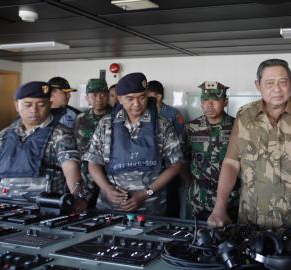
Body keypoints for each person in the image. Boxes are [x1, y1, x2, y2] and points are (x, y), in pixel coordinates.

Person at [207, 59, 291, 236]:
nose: (277, 89)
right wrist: (219, 208)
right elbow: (231, 163)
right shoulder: (245, 115)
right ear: (258, 85)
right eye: (269, 83)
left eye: (283, 82)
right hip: (251, 221)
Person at [83, 72, 183, 215]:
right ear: (120, 99)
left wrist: (145, 193)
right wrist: (106, 189)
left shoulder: (161, 125)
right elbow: (93, 162)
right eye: (130, 99)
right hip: (110, 208)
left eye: (141, 97)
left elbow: (175, 164)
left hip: (151, 209)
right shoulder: (106, 124)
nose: (136, 104)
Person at [0, 81, 87, 213]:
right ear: (17, 105)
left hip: (45, 207)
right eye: (28, 105)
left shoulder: (60, 133)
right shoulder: (5, 135)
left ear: (50, 105)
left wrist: (77, 196)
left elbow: (70, 167)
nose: (34, 110)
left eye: (41, 105)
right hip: (6, 206)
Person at [180, 81, 238, 221]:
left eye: (215, 99)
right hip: (198, 198)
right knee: (196, 238)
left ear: (225, 102)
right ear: (201, 102)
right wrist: (191, 185)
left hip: (232, 199)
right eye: (205, 99)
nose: (209, 104)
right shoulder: (191, 128)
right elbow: (183, 161)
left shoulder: (237, 127)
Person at [146, 80, 185, 217]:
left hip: (170, 167)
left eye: (149, 96)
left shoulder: (173, 114)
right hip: (150, 170)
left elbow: (180, 141)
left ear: (159, 97)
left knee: (171, 202)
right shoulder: (144, 114)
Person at [74, 78, 112, 208]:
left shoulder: (117, 117)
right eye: (94, 95)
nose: (98, 98)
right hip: (85, 178)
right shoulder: (80, 119)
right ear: (87, 98)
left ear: (108, 96)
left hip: (109, 178)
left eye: (102, 94)